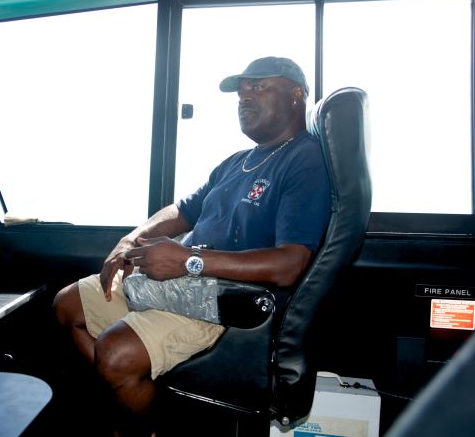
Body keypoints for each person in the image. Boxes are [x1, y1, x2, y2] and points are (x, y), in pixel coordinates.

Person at [52, 56, 331, 436]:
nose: (244, 97)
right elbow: (182, 209)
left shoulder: (306, 160)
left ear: (297, 93)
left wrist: (189, 261)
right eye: (241, 91)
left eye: (259, 87)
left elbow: (289, 265)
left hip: (226, 301)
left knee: (116, 353)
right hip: (181, 279)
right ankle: (126, 403)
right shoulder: (236, 162)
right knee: (67, 306)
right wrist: (131, 239)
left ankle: (136, 422)